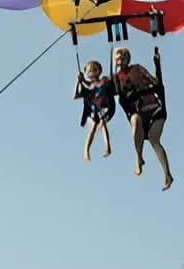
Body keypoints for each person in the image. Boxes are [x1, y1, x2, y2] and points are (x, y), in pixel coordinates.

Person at [111, 46, 173, 190]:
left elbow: (156, 82)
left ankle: (167, 175)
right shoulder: (116, 78)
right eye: (118, 59)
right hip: (138, 113)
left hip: (154, 109)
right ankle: (139, 157)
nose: (121, 61)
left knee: (154, 139)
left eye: (123, 58)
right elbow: (112, 93)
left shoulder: (137, 68)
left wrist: (157, 65)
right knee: (135, 120)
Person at [73, 59, 115, 161]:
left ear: (99, 71)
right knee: (93, 127)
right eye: (90, 71)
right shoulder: (87, 85)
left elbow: (111, 87)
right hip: (93, 108)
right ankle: (86, 150)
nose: (92, 72)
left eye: (95, 69)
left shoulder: (103, 81)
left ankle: (107, 147)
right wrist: (79, 81)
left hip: (103, 106)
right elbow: (77, 94)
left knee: (103, 122)